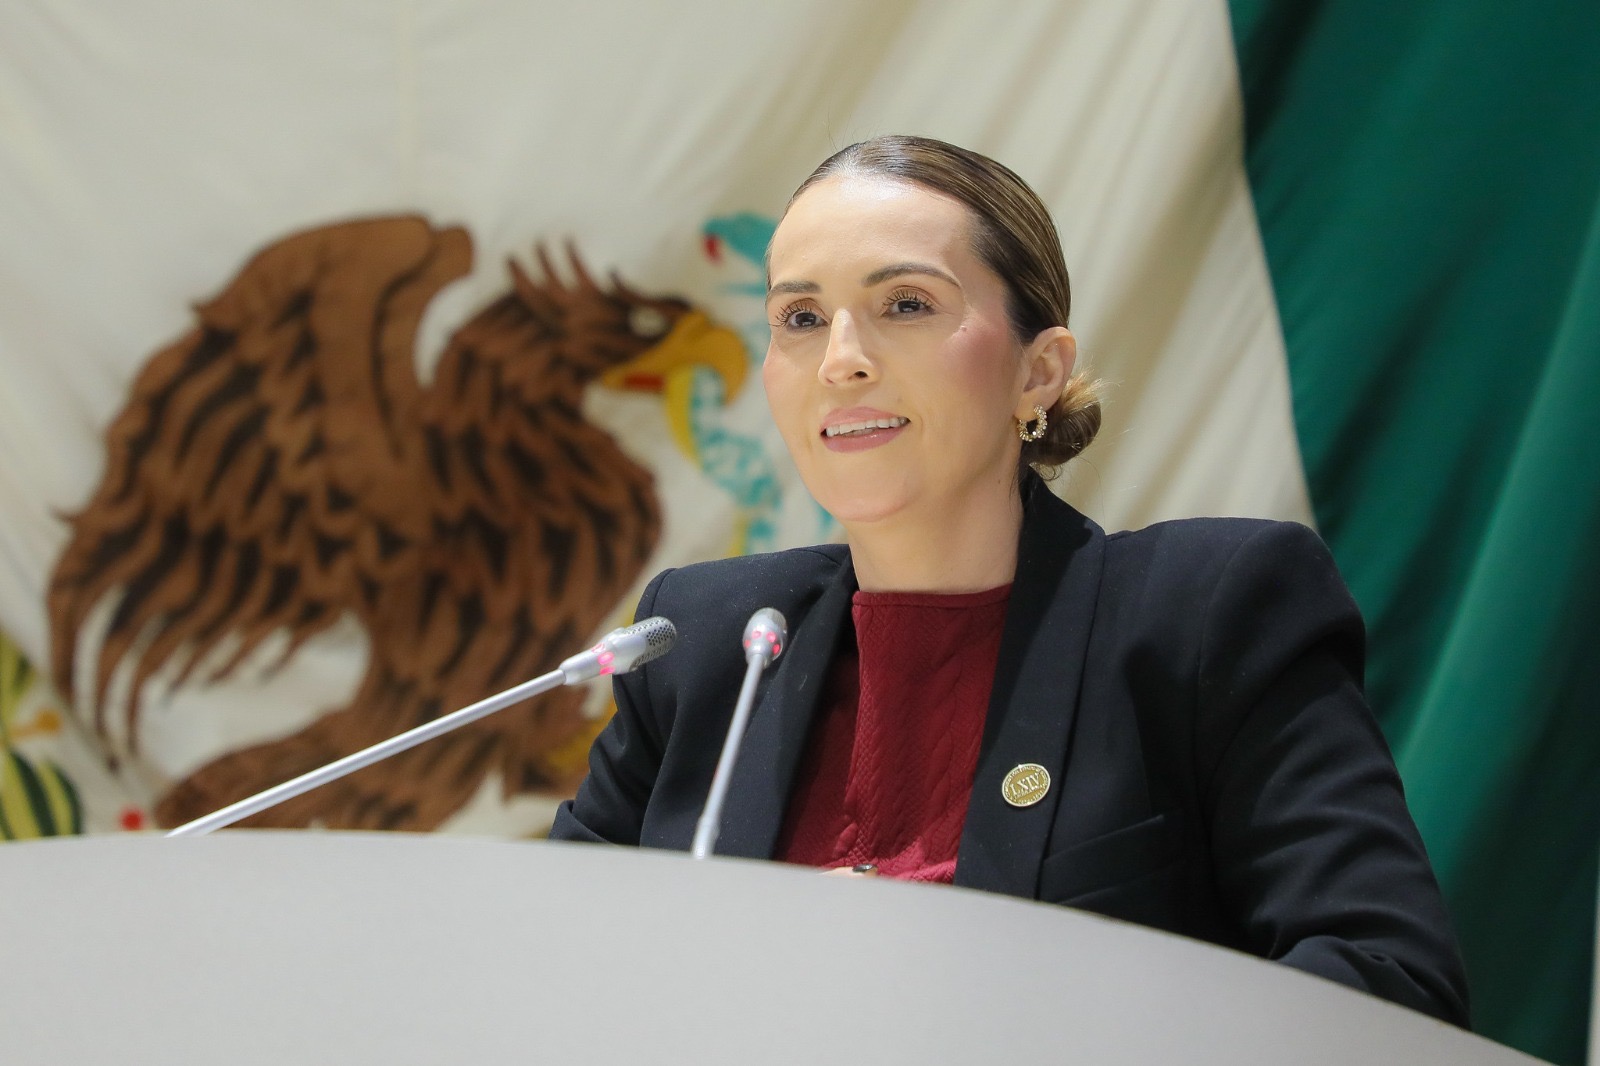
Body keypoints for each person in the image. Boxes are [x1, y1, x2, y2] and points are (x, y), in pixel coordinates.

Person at [549, 135, 1470, 1027]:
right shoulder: (706, 645)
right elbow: (545, 974)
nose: (840, 360)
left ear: (1039, 371)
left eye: (905, 303)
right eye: (799, 318)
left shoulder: (1204, 614)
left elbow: (1385, 981)